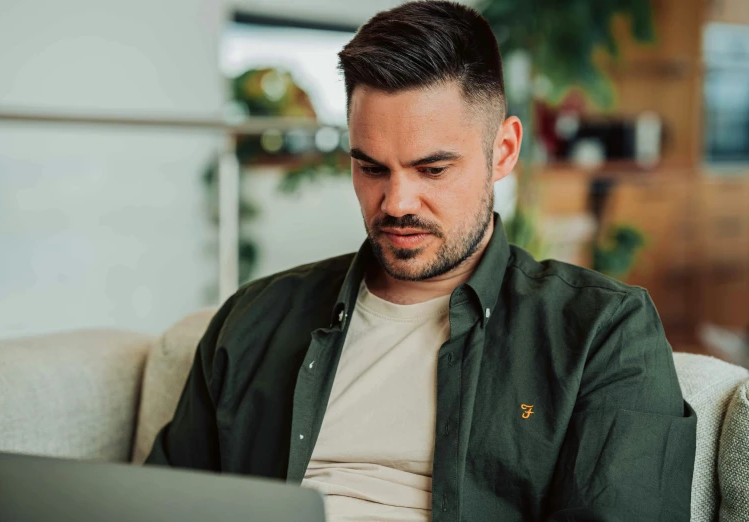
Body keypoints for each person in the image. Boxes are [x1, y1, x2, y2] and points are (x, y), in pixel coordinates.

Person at [145, 2, 697, 520]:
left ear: (503, 151)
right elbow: (159, 505)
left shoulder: (601, 332)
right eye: (372, 168)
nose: (397, 204)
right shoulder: (253, 319)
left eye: (432, 170)